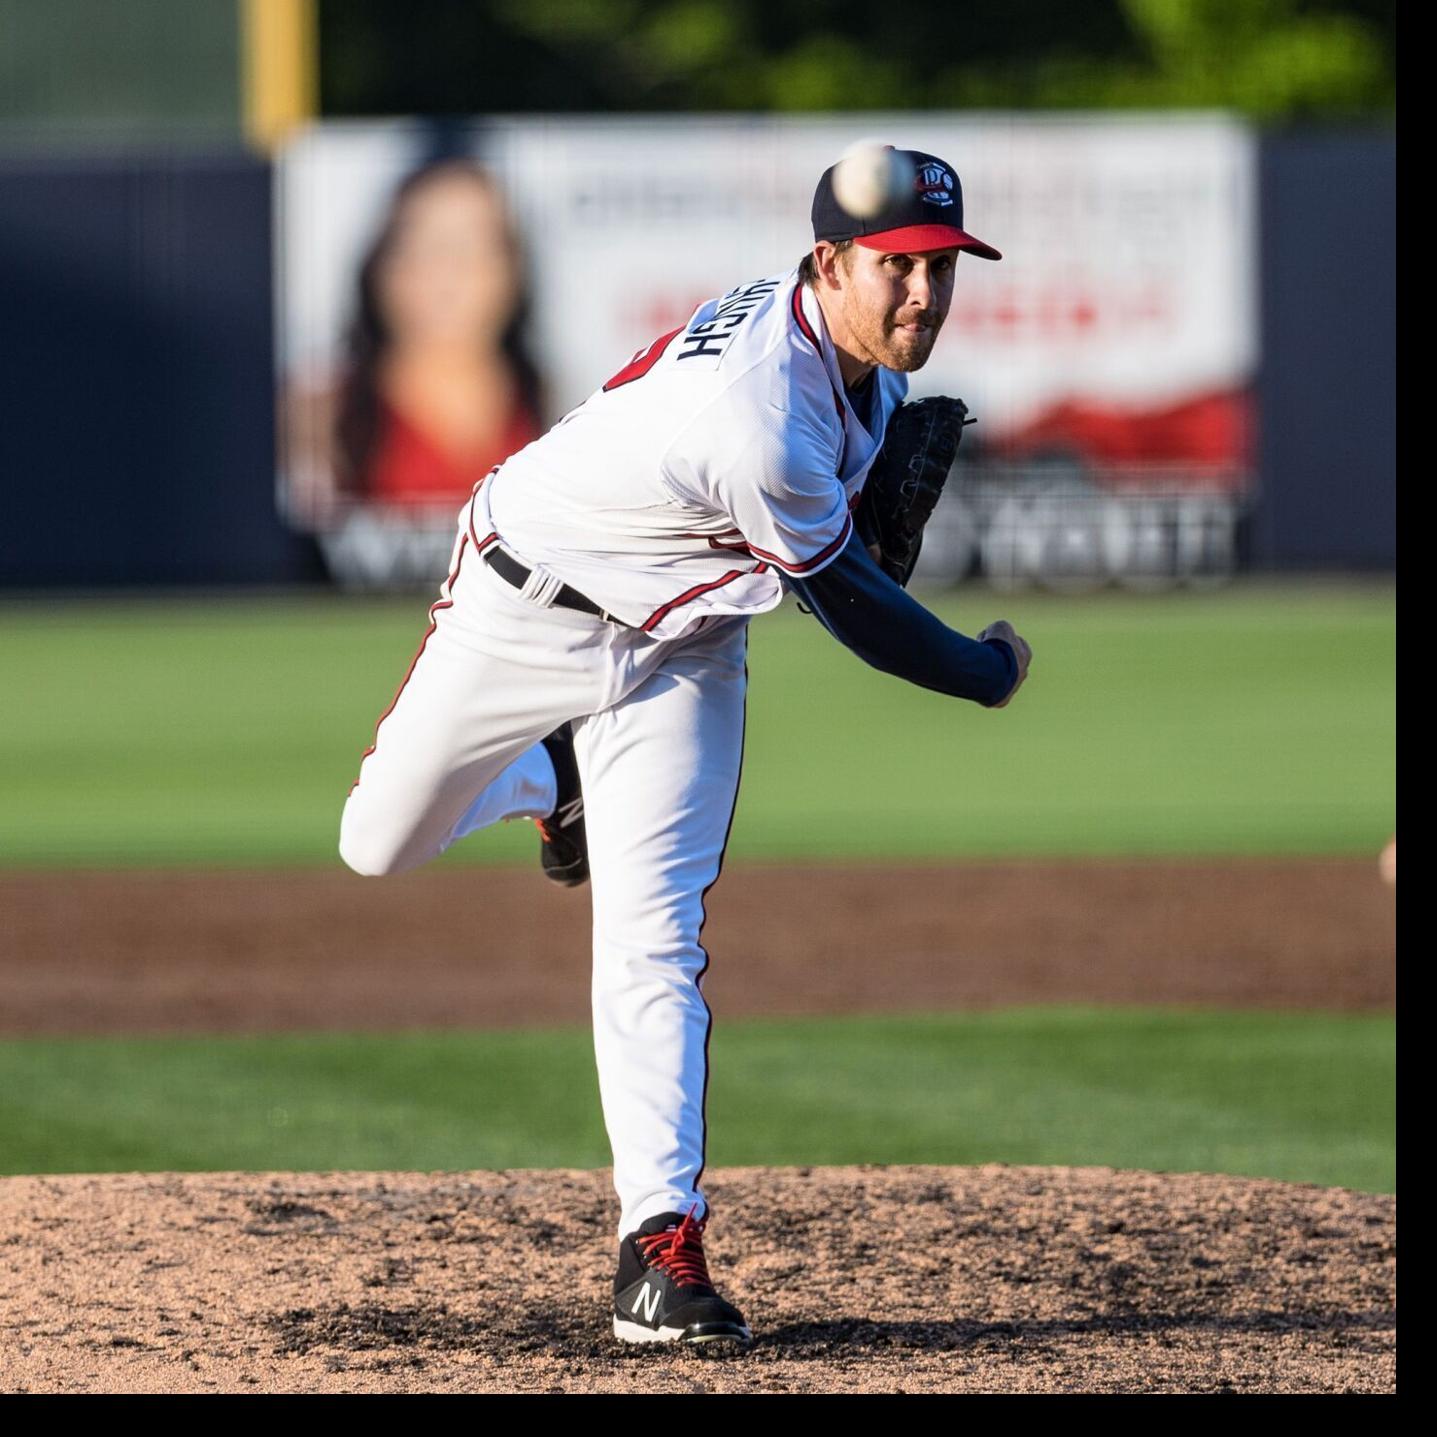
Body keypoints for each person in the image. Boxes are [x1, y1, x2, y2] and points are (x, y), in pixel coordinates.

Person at [338, 147, 1033, 1349]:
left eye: (941, 268)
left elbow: (824, 554)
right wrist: (982, 670)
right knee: (376, 846)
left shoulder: (852, 359)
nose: (924, 295)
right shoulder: (760, 415)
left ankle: (659, 1248)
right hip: (525, 603)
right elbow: (860, 616)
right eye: (899, 268)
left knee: (654, 934)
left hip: (686, 642)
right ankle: (553, 772)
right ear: (830, 261)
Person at [284, 158, 544, 530]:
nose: (447, 276)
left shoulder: (555, 411)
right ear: (381, 268)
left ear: (513, 272)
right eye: (424, 246)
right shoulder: (317, 415)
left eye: (473, 246)